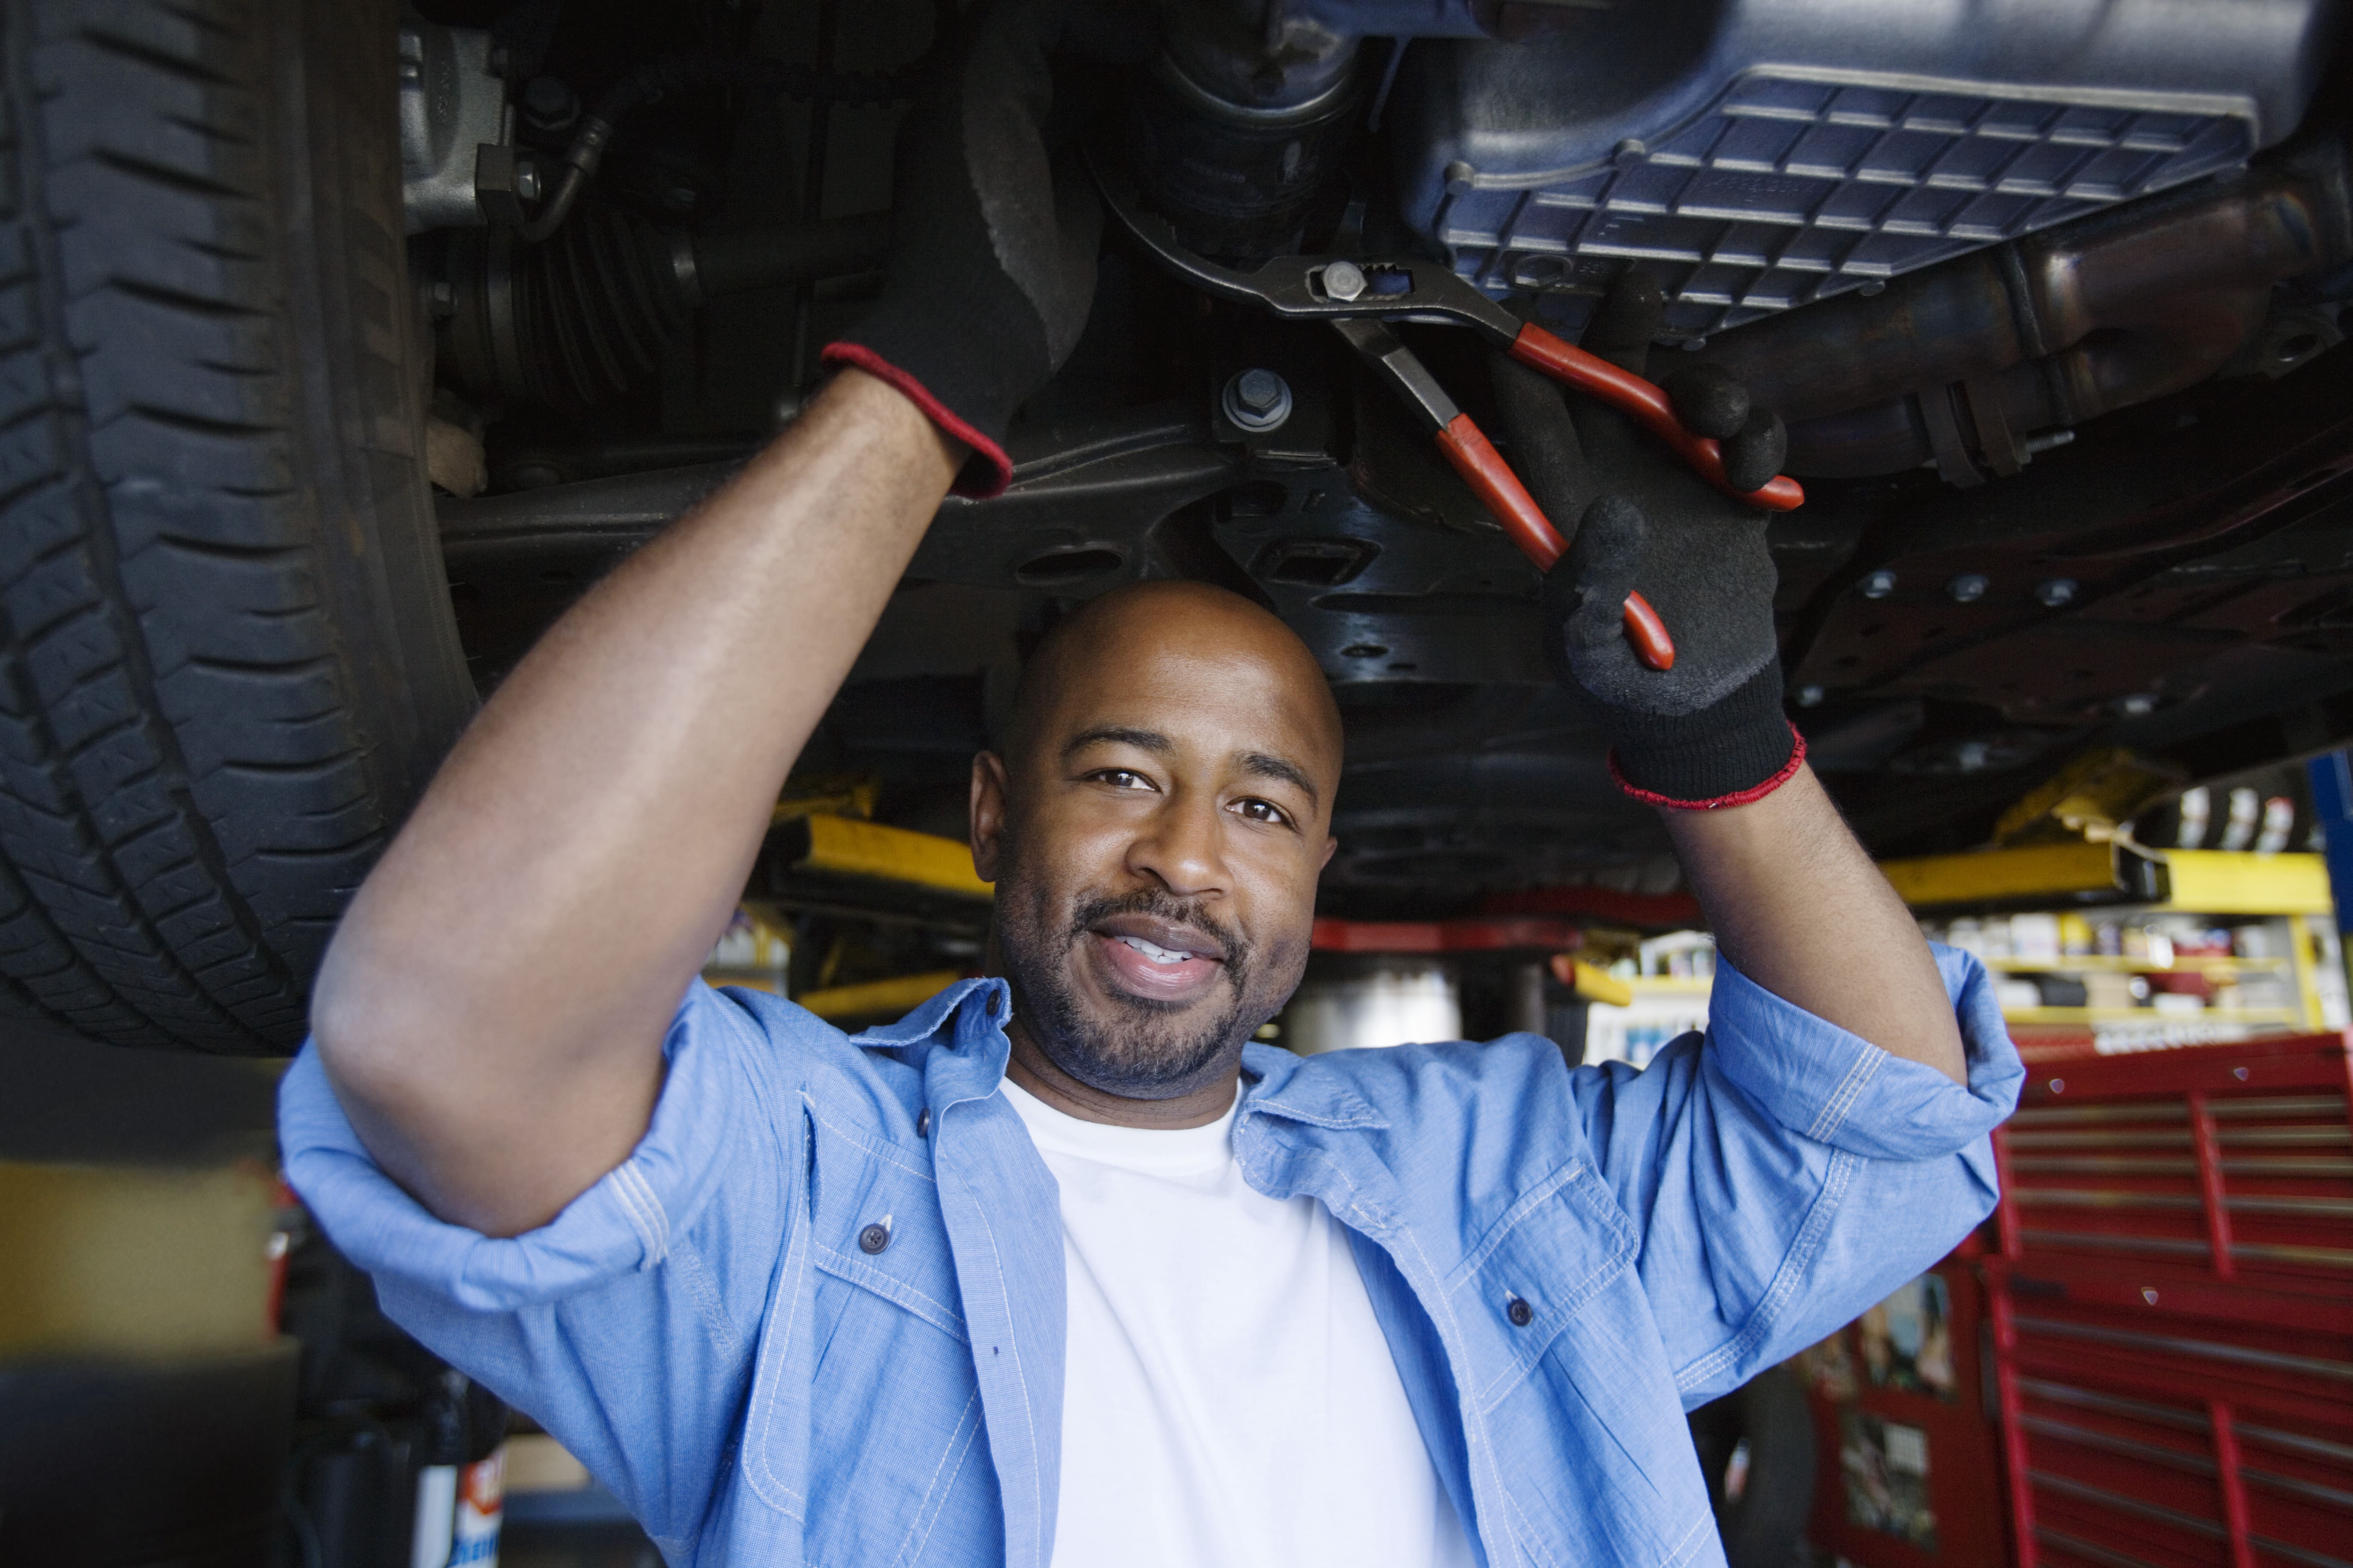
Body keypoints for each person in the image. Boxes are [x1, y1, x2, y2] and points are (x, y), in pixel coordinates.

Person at [279, 7, 2022, 1565]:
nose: (1186, 857)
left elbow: (1868, 1134)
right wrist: (921, 387)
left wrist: (1720, 736)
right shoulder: (802, 1193)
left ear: (1317, 867)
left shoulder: (1499, 1179)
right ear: (986, 814)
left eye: (1261, 807)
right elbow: (455, 1033)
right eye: (1120, 772)